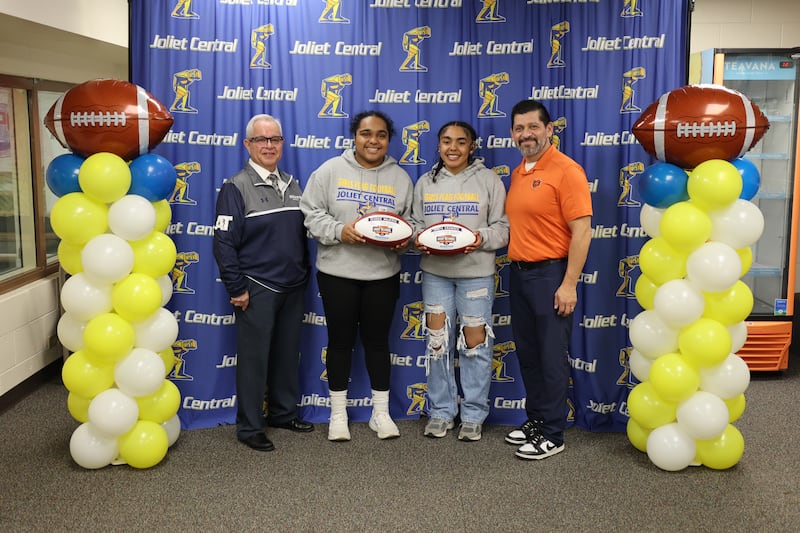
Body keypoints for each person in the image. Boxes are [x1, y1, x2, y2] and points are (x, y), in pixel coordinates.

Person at [300, 110, 414, 442]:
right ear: (355, 137)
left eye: (381, 135)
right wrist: (339, 230)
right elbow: (310, 212)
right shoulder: (330, 170)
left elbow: (410, 225)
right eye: (366, 133)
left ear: (388, 140)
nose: (373, 140)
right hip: (338, 273)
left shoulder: (400, 179)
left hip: (382, 275)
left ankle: (381, 413)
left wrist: (402, 240)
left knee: (378, 343)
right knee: (340, 343)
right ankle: (338, 414)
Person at [213, 114, 313, 452]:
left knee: (286, 356)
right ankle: (250, 427)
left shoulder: (293, 184)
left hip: (293, 285)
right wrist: (236, 288)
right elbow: (223, 243)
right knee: (254, 361)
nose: (269, 146)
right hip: (257, 288)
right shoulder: (236, 186)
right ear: (248, 145)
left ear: (282, 143)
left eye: (275, 139)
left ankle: (283, 414)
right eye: (261, 139)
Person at [503, 99, 592, 460]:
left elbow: (582, 231)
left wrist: (568, 284)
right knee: (529, 355)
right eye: (519, 128)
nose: (526, 134)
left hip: (551, 275)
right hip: (519, 274)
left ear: (549, 129)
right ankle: (537, 420)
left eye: (533, 127)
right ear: (512, 134)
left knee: (552, 357)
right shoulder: (518, 171)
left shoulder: (566, 170)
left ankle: (553, 434)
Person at [411, 121, 509, 442]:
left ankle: (473, 414)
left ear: (471, 146)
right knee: (437, 342)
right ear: (438, 145)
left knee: (475, 344)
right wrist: (419, 238)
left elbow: (503, 229)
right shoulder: (426, 181)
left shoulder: (489, 180)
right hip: (436, 273)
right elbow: (414, 225)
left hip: (475, 274)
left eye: (461, 141)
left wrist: (478, 238)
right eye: (446, 141)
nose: (453, 148)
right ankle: (441, 411)